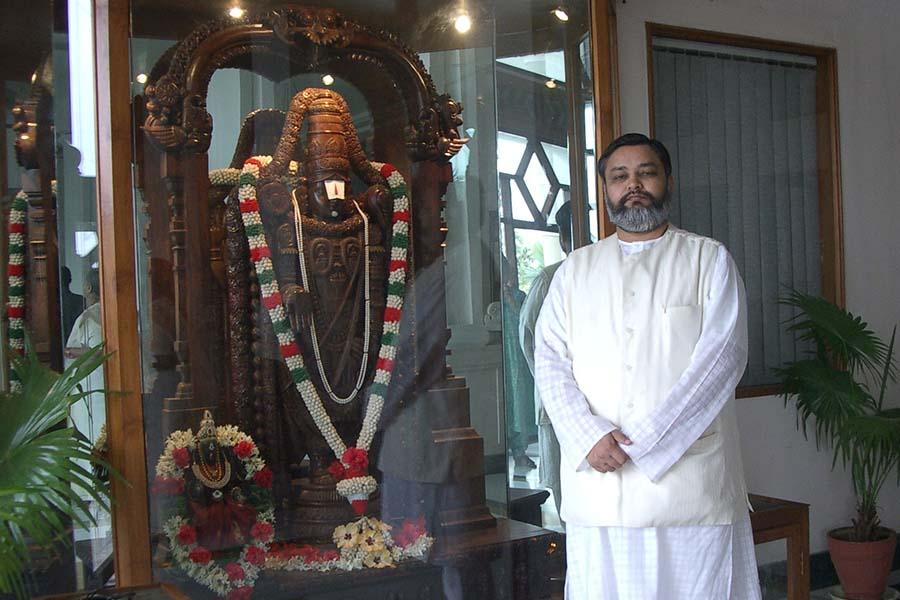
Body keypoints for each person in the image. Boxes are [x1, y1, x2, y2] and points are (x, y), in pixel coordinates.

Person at [534, 133, 760, 599]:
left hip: (689, 485)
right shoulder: (574, 272)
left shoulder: (708, 259)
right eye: (620, 176)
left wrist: (647, 443)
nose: (632, 184)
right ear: (606, 191)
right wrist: (587, 435)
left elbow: (722, 359)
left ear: (668, 182)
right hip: (601, 488)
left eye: (646, 172)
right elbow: (550, 361)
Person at [518, 201, 572, 518]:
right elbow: (529, 337)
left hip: (590, 405)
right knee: (569, 499)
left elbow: (527, 337)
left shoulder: (607, 275)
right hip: (557, 406)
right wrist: (548, 383)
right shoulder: (549, 279)